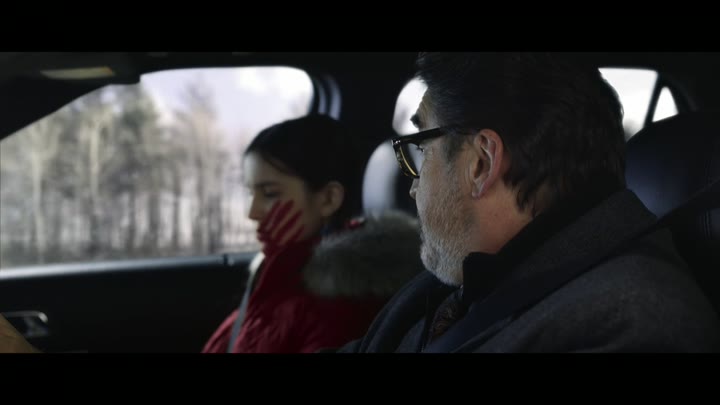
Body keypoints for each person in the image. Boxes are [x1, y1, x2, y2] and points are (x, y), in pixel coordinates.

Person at [337, 52, 720, 353]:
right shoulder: (451, 284)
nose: (413, 186)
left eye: (422, 149)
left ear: (481, 162)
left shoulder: (634, 324)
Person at [202, 114, 423, 353]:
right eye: (250, 193)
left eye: (269, 194)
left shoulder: (338, 311)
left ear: (328, 199)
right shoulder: (275, 277)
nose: (252, 213)